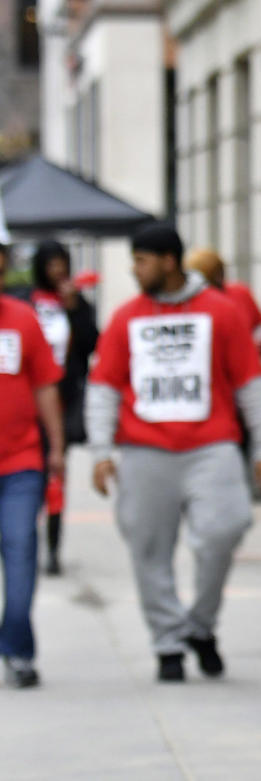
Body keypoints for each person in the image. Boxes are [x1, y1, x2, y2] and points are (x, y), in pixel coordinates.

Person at [85, 223, 261, 682]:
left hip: (212, 445)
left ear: (168, 262)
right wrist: (100, 451)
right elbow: (104, 388)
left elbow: (252, 383)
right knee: (148, 549)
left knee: (225, 528)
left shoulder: (221, 312)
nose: (134, 270)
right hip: (143, 449)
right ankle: (168, 642)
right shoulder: (126, 317)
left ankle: (200, 624)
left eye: (141, 260)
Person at [0, 243, 64, 688]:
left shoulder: (22, 320)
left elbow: (44, 386)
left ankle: (18, 648)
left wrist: (56, 446)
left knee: (21, 547)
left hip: (21, 460)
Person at [29, 240, 99, 575]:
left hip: (64, 399)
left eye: (62, 262)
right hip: (26, 405)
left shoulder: (76, 302)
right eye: (51, 263)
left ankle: (54, 548)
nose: (57, 270)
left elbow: (91, 344)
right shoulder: (24, 301)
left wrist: (73, 309)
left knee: (56, 472)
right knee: (30, 475)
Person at [183, 247, 261, 351]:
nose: (221, 277)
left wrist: (252, 345)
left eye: (221, 270)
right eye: (215, 273)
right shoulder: (191, 303)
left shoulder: (239, 292)